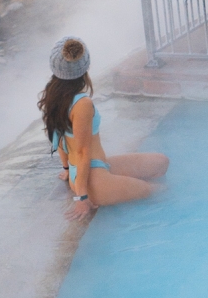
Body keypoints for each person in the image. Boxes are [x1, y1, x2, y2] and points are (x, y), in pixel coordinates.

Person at [38, 37, 169, 220]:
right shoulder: (82, 104)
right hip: (93, 180)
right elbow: (83, 151)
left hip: (96, 167)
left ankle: (119, 185)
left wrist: (68, 170)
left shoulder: (53, 95)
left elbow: (59, 137)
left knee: (161, 163)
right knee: (161, 192)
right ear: (84, 68)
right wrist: (81, 198)